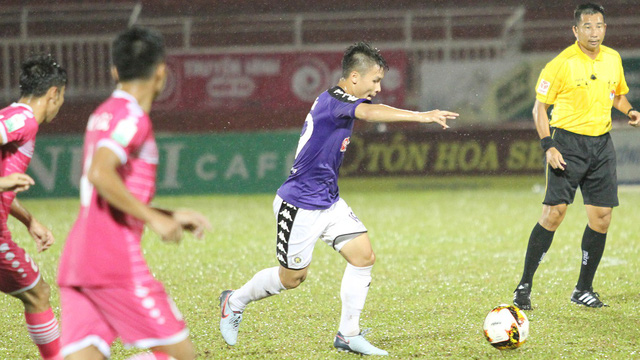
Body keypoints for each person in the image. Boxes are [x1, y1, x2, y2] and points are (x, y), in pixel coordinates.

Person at [219, 42, 458, 356]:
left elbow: (368, 111)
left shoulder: (341, 101)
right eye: (375, 80)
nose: (379, 87)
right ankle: (233, 301)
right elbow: (371, 113)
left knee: (363, 257)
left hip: (328, 202)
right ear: (355, 77)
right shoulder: (334, 100)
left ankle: (348, 335)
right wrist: (422, 116)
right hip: (299, 204)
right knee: (291, 279)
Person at [57, 27, 211, 360]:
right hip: (114, 261)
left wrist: (168, 214)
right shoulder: (132, 116)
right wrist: (154, 218)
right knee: (181, 355)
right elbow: (101, 173)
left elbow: (110, 190)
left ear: (114, 70)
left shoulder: (103, 113)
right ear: (161, 72)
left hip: (78, 260)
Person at [513, 2, 639, 310]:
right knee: (554, 214)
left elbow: (615, 94)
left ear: (605, 28)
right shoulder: (560, 64)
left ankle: (583, 288)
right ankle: (523, 286)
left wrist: (630, 110)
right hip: (566, 145)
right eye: (587, 26)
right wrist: (548, 145)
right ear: (575, 30)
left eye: (599, 26)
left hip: (601, 146)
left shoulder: (612, 58)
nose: (594, 32)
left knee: (602, 218)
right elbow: (539, 108)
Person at [0, 54, 66, 360]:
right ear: (53, 93)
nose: (61, 105)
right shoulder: (23, 119)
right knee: (38, 294)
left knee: (35, 292)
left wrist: (29, 221)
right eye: (62, 97)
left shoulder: (17, 117)